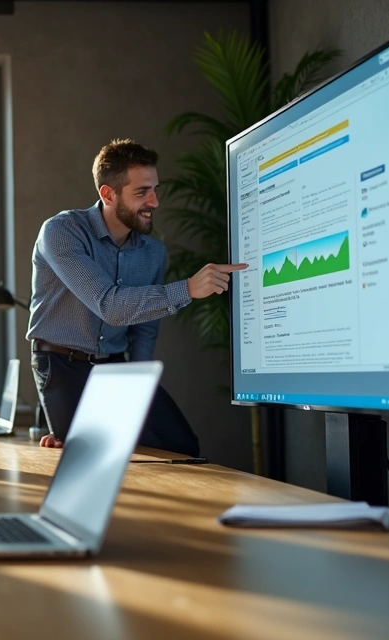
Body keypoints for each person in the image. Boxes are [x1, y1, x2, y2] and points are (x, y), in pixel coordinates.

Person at [27, 139, 247, 455]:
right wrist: (188, 289)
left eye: (155, 189)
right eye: (142, 192)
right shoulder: (61, 232)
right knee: (92, 454)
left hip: (115, 366)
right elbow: (109, 306)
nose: (154, 201)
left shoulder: (153, 252)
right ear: (107, 194)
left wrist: (138, 387)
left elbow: (144, 328)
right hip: (62, 365)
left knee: (183, 445)